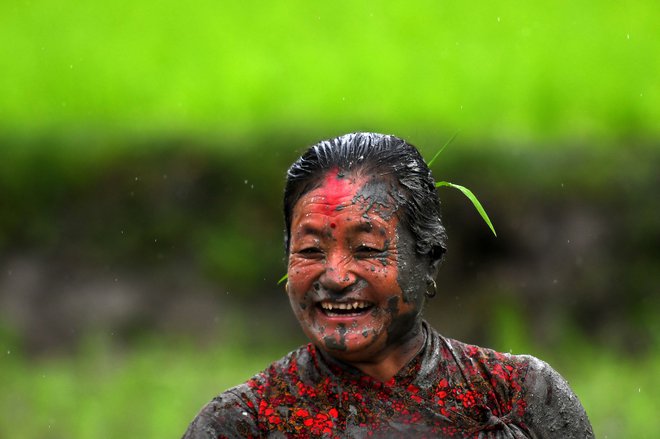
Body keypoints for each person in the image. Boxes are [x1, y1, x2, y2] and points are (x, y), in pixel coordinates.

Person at [182, 132, 594, 438]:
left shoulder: (518, 397)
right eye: (310, 250)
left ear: (429, 259)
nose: (336, 277)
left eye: (366, 248)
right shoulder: (244, 423)